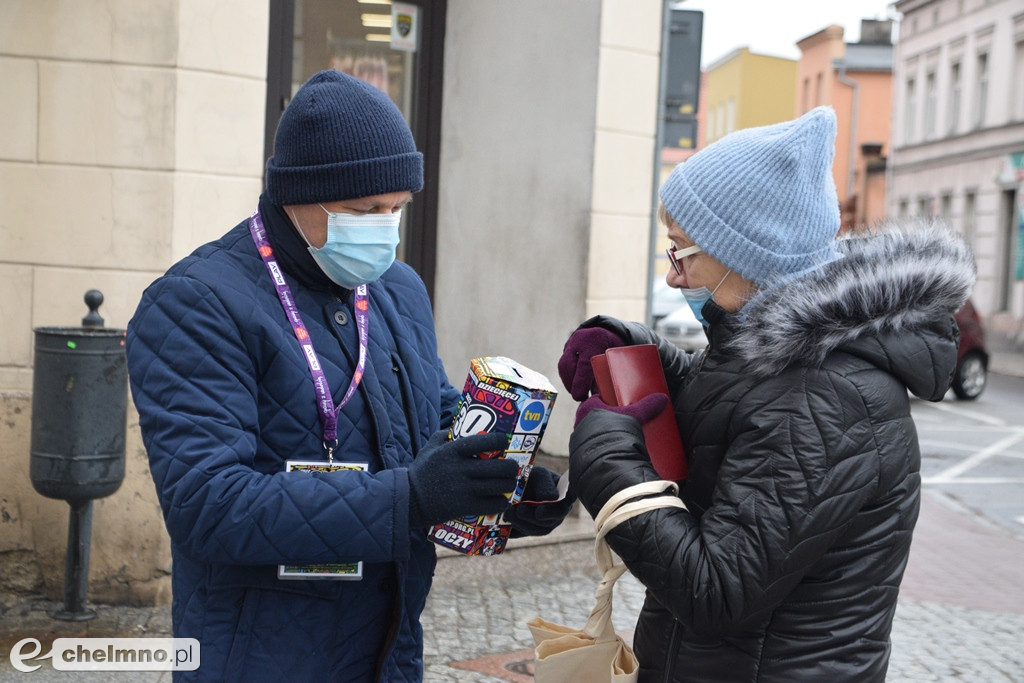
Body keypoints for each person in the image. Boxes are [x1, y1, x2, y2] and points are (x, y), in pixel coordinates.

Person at [125, 69, 574, 682]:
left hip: (389, 647)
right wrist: (410, 498)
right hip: (260, 655)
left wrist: (503, 486)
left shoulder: (397, 287)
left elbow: (434, 417)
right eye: (365, 210)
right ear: (298, 196)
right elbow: (209, 505)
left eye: (397, 209)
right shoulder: (196, 303)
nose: (384, 227)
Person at [557, 106, 976, 682]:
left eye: (682, 251)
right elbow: (736, 405)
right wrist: (641, 356)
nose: (674, 275)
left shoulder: (826, 398)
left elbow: (715, 592)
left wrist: (606, 461)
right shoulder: (786, 354)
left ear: (747, 256)